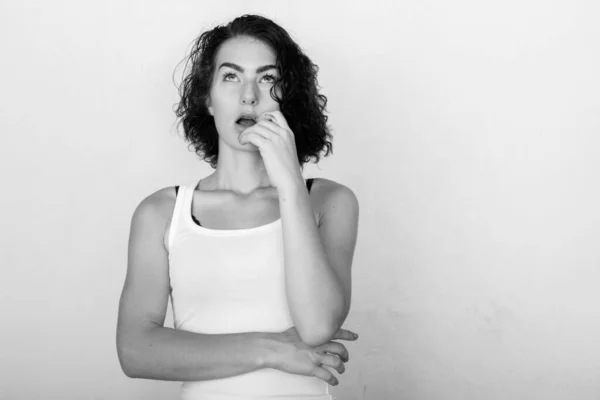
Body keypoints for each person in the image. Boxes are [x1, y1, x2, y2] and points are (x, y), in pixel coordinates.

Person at [116, 14, 360, 400]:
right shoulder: (161, 212)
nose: (249, 96)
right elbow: (134, 352)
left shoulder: (330, 201)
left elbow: (316, 327)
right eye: (231, 77)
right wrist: (274, 349)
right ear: (207, 99)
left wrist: (291, 184)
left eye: (268, 79)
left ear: (288, 97)